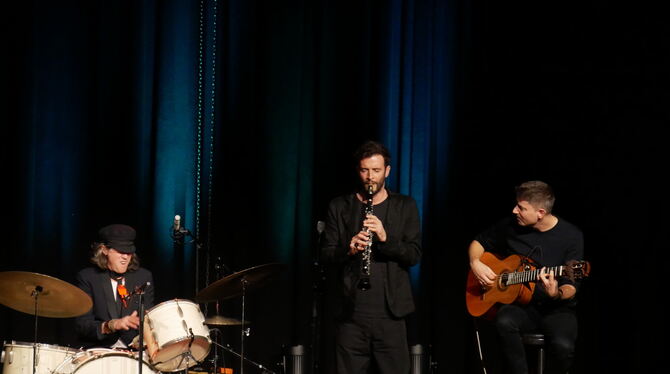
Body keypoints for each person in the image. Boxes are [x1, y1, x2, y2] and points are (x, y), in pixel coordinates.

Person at [321, 140, 422, 374]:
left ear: (387, 171)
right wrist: (349, 249)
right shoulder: (339, 206)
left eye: (376, 171)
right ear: (358, 170)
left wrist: (385, 239)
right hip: (350, 316)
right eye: (365, 170)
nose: (370, 177)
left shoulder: (405, 206)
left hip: (391, 316)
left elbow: (414, 255)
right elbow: (326, 255)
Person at [468, 181, 584, 374]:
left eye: (521, 208)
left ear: (540, 213)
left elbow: (571, 287)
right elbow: (478, 243)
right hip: (523, 307)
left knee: (563, 347)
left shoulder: (571, 236)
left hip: (557, 309)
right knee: (504, 321)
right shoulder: (511, 226)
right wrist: (475, 263)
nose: (514, 211)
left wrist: (555, 294)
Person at [75, 224, 155, 349]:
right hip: (99, 351)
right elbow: (83, 326)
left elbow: (149, 321)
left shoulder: (143, 277)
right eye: (121, 251)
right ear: (104, 250)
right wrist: (112, 325)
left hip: (133, 352)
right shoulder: (87, 277)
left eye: (129, 252)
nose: (125, 257)